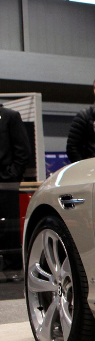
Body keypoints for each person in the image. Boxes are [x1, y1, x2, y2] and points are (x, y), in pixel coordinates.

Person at [0, 104, 31, 269]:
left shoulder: (10, 116)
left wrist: (10, 176)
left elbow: (23, 151)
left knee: (8, 230)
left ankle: (13, 269)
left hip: (6, 184)